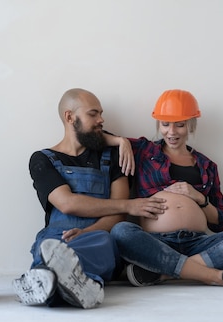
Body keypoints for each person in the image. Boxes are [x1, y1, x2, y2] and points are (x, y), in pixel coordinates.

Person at [12, 88, 167, 309]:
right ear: (69, 117)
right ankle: (80, 286)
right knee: (48, 247)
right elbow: (67, 203)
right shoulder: (42, 160)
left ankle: (44, 282)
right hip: (57, 237)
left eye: (100, 113)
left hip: (98, 234)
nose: (101, 119)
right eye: (93, 114)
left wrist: (87, 232)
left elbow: (118, 216)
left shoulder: (112, 157)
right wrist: (131, 205)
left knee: (102, 243)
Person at [105, 89, 223, 288]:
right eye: (165, 124)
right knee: (121, 232)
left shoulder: (207, 165)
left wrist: (199, 198)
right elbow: (95, 136)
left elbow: (219, 222)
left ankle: (164, 273)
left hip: (199, 245)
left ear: (191, 125)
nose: (171, 132)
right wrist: (121, 141)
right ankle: (216, 276)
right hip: (157, 243)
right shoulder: (144, 151)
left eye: (180, 125)